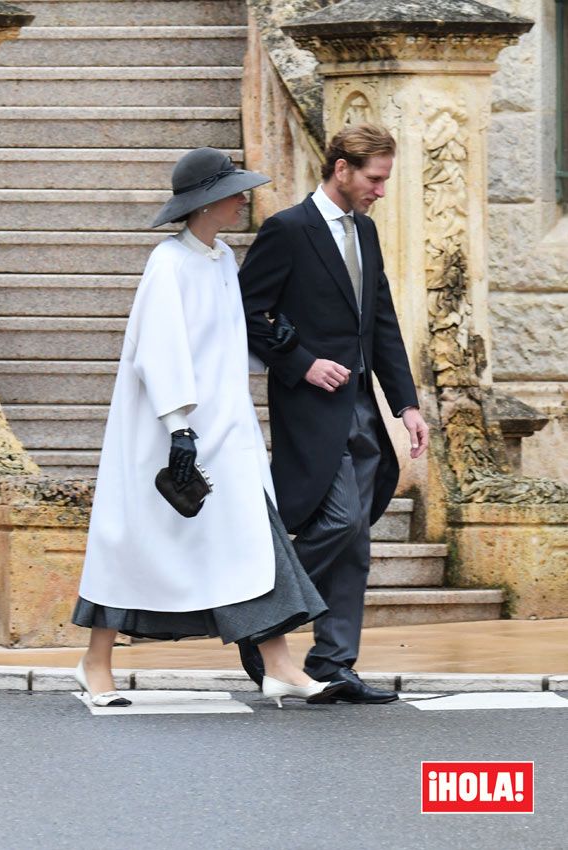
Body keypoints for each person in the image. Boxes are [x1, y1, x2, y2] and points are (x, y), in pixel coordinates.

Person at [71, 147, 343, 709]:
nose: (244, 198)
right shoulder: (167, 264)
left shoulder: (221, 260)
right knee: (136, 547)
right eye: (235, 191)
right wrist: (179, 429)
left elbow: (229, 341)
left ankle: (279, 664)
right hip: (175, 432)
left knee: (255, 540)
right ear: (207, 204)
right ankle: (95, 662)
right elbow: (158, 350)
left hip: (229, 429)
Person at [239, 124, 429, 704]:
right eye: (374, 179)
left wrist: (407, 404)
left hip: (364, 409)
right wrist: (301, 362)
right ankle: (261, 616)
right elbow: (247, 309)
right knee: (343, 523)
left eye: (384, 180)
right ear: (341, 169)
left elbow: (381, 322)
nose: (379, 190)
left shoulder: (365, 233)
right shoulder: (287, 230)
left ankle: (333, 663)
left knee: (355, 542)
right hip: (310, 409)